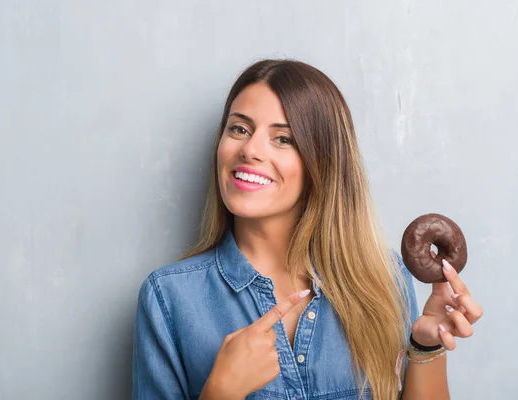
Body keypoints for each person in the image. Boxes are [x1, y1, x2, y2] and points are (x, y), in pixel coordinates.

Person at [132, 59, 483, 400]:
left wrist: (427, 344)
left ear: (323, 161)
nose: (249, 149)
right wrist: (221, 392)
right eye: (239, 128)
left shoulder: (386, 278)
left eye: (283, 138)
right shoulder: (169, 298)